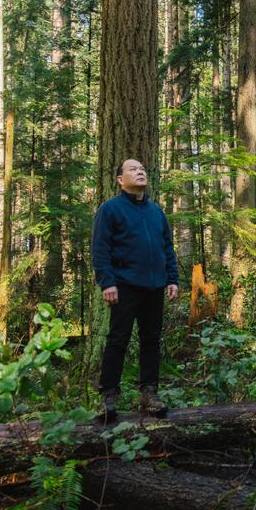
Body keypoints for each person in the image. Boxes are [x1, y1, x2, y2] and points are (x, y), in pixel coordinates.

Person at [91, 159, 179, 422]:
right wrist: (107, 282)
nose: (140, 171)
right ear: (120, 179)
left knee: (151, 340)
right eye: (133, 169)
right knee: (118, 339)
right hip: (124, 286)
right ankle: (108, 397)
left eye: (142, 168)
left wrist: (172, 279)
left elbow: (167, 249)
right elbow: (100, 248)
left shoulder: (156, 212)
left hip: (154, 286)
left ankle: (149, 394)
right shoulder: (110, 209)